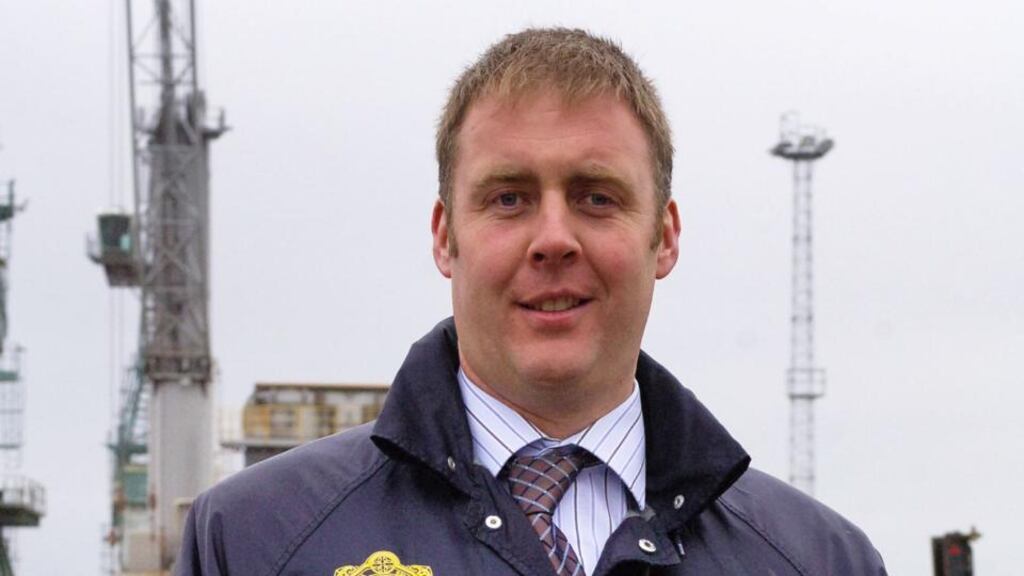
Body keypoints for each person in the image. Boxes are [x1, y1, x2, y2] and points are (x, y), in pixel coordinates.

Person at [177, 28, 887, 576]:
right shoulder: (253, 541)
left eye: (596, 197)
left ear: (663, 237)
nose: (553, 239)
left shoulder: (820, 559)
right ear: (445, 236)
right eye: (509, 198)